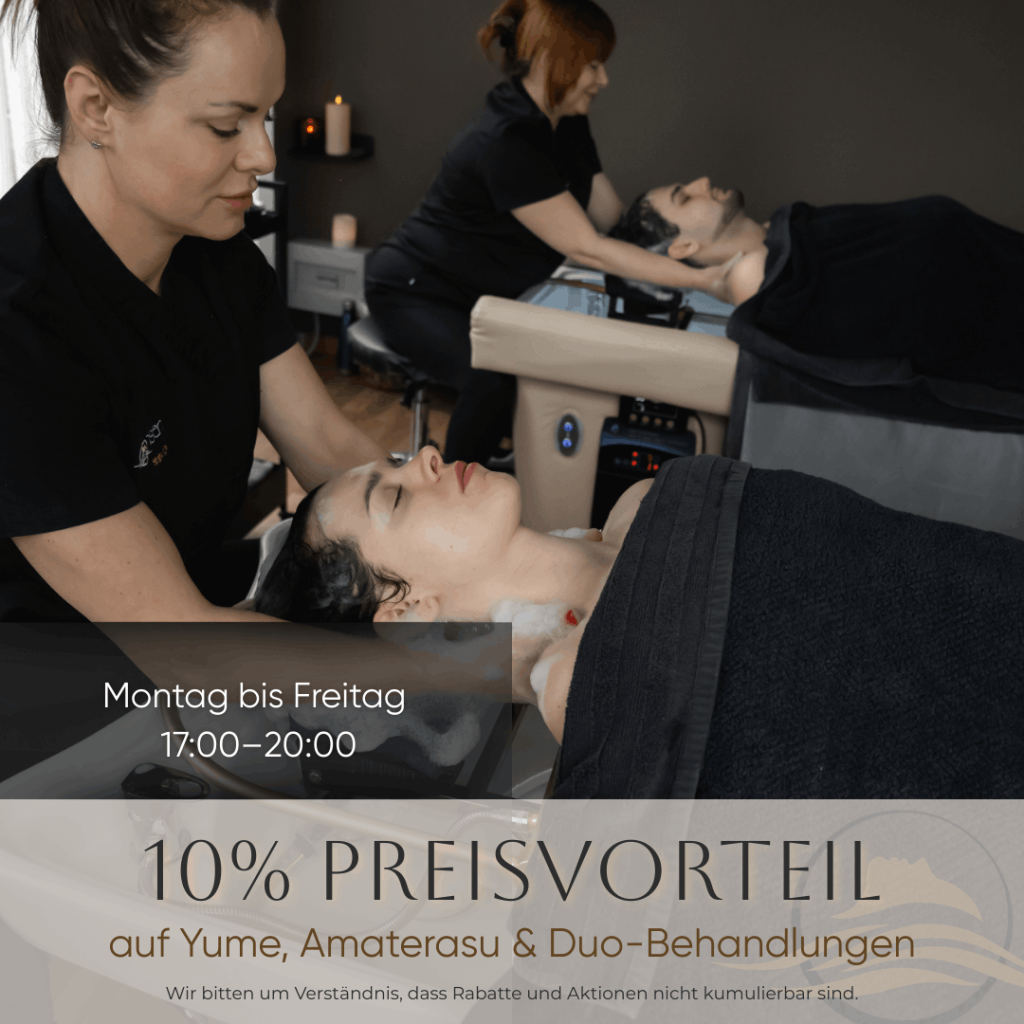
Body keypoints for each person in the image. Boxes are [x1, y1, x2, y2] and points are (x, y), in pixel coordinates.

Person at [256, 446, 1024, 801]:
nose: (425, 456)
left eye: (396, 458)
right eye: (394, 495)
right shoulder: (581, 685)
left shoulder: (645, 505)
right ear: (405, 611)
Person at [0, 0, 391, 623]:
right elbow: (185, 639)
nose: (264, 156)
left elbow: (326, 442)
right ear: (95, 107)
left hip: (190, 598)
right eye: (225, 126)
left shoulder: (219, 258)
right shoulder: (21, 329)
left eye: (265, 116)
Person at [365, 0, 735, 468]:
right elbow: (590, 247)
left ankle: (512, 471)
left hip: (475, 291)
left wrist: (688, 253)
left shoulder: (567, 122)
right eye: (593, 65)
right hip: (414, 290)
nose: (604, 79)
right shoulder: (508, 141)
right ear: (554, 60)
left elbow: (612, 219)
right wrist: (707, 280)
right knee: (495, 376)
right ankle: (452, 488)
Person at [611, 177, 1024, 395]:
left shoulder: (776, 245)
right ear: (682, 247)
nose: (701, 182)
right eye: (685, 197)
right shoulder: (754, 278)